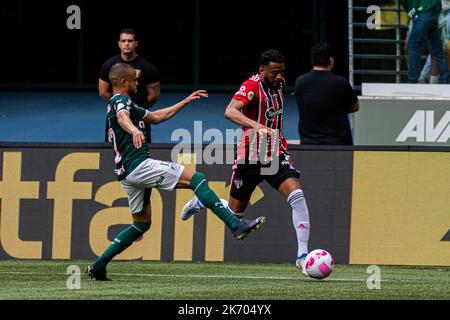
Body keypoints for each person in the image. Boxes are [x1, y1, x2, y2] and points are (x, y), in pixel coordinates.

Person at [86, 63, 266, 281]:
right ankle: (235, 224)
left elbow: (155, 117)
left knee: (141, 223)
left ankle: (99, 265)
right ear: (123, 82)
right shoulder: (121, 101)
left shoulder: (126, 104)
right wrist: (134, 129)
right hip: (138, 165)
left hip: (126, 174)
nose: (137, 82)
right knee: (197, 179)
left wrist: (185, 101)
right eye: (134, 79)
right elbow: (123, 117)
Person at [180, 50, 312, 276]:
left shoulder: (278, 83)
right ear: (261, 71)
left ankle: (302, 256)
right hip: (251, 154)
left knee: (297, 196)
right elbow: (229, 111)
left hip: (275, 153)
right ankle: (201, 201)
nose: (280, 77)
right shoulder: (252, 85)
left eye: (282, 72)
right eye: (274, 72)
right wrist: (257, 126)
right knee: (234, 214)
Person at [99, 28, 160, 143]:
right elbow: (103, 91)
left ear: (136, 43)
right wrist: (118, 104)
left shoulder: (148, 67)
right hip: (116, 115)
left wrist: (137, 108)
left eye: (130, 41)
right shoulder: (109, 65)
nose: (126, 44)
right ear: (119, 43)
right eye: (123, 41)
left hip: (139, 116)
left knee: (142, 148)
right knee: (112, 149)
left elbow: (154, 95)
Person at [294, 43, 359, 145]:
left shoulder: (300, 82)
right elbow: (355, 107)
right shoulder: (341, 82)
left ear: (313, 60)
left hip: (309, 145)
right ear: (331, 60)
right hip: (339, 145)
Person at [400, 0, 449, 83]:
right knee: (437, 47)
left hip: (424, 9)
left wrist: (413, 13)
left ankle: (413, 79)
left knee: (412, 45)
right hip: (434, 6)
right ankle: (445, 78)